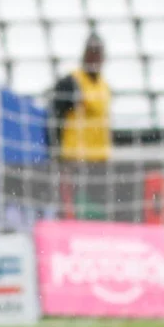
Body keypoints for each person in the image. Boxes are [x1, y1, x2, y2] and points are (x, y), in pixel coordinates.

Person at [47, 33, 110, 219]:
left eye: (98, 54)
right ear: (84, 55)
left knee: (96, 210)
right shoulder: (71, 83)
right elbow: (55, 116)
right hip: (75, 160)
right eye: (91, 53)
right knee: (72, 208)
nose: (95, 58)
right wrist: (56, 149)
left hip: (99, 160)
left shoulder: (104, 86)